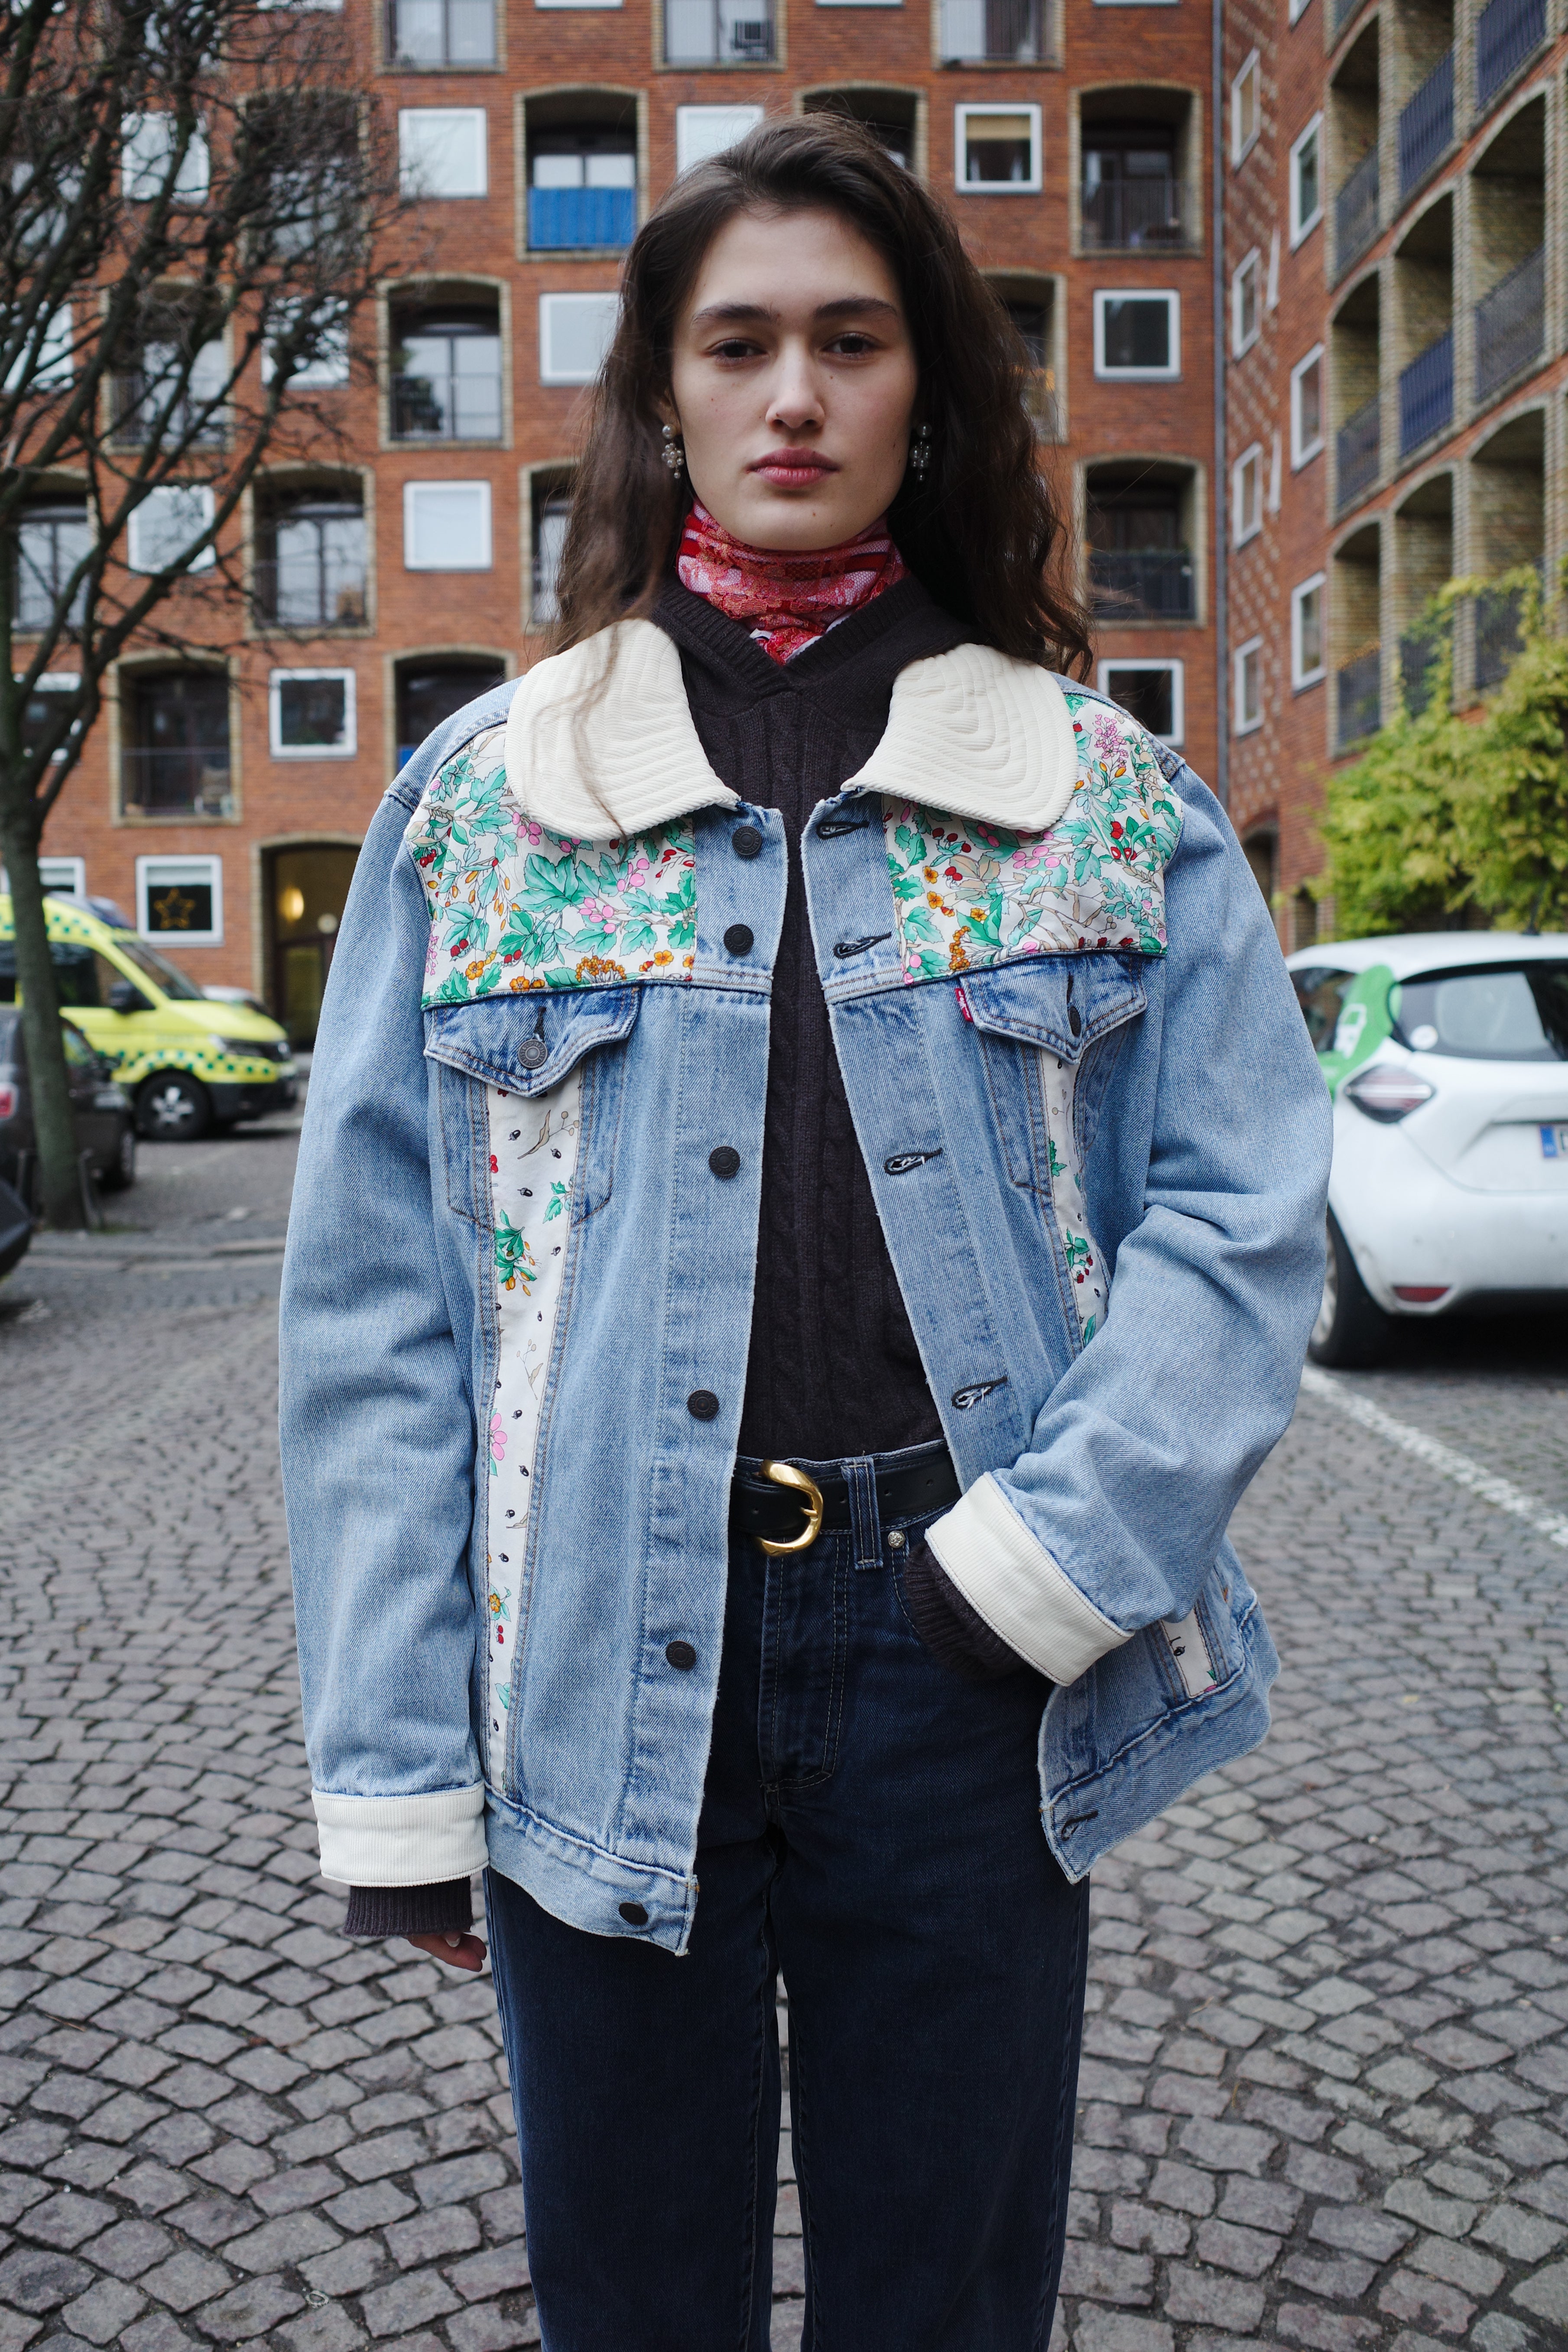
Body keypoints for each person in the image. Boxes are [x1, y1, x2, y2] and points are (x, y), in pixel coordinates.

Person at [281, 116, 1331, 2352]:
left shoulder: (1092, 790)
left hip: (961, 1647)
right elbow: (382, 1305)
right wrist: (396, 1763)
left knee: (942, 2300)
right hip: (587, 1643)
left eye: (847, 342)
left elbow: (1239, 1214)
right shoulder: (486, 797)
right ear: (658, 393)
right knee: (633, 2299)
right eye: (734, 341)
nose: (789, 396)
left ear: (921, 391)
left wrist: (1043, 1571)